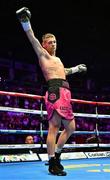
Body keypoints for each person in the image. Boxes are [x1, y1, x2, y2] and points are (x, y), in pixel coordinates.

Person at [16, 7, 87, 176]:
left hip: (65, 91)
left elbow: (65, 71)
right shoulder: (43, 55)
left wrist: (77, 68)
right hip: (54, 90)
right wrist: (25, 21)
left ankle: (57, 154)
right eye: (50, 42)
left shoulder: (58, 59)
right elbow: (32, 38)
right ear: (44, 45)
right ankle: (51, 162)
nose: (53, 44)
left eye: (55, 41)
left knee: (71, 128)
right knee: (54, 126)